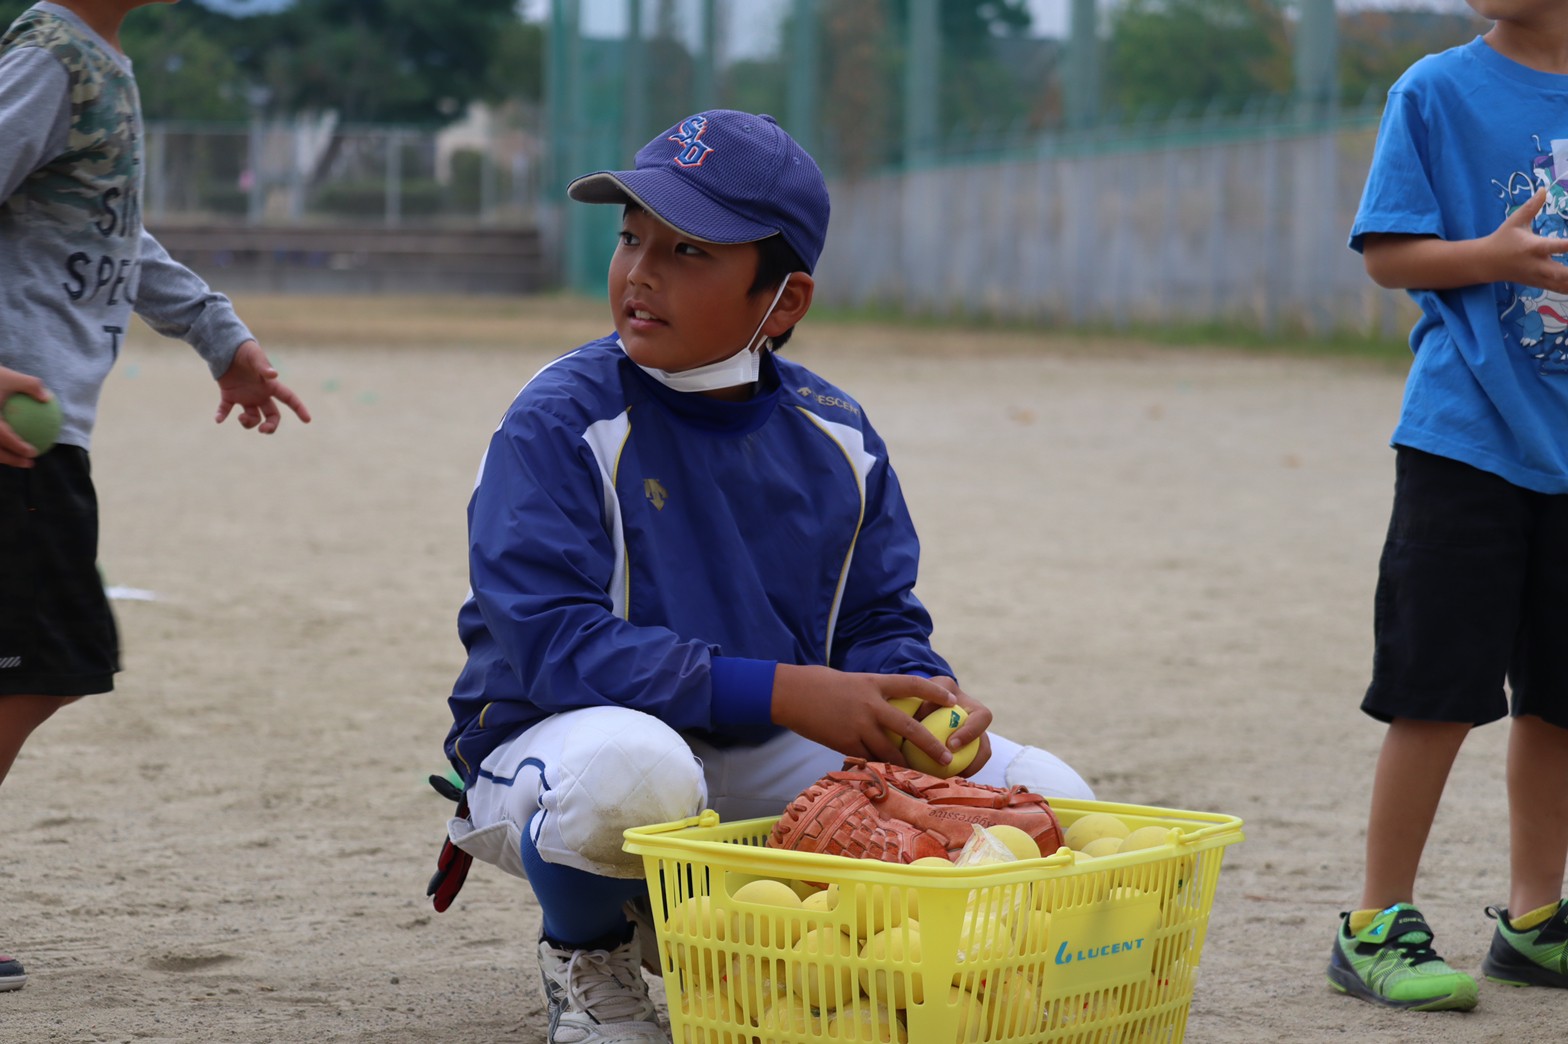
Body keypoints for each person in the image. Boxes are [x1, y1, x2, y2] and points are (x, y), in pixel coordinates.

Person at [437, 109, 1092, 1043]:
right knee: (635, 775)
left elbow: (876, 614)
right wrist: (789, 689)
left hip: (762, 739)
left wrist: (916, 693)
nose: (641, 272)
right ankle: (588, 949)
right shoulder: (559, 420)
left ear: (782, 302)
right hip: (560, 747)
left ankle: (768, 930)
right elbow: (553, 647)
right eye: (632, 238)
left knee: (1052, 795)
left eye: (690, 251)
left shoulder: (837, 432)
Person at [0, 0, 309, 994]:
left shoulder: (98, 63)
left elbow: (113, 232)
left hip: (46, 434)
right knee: (48, 661)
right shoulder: (52, 56)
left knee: (47, 660)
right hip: (17, 432)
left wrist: (221, 334)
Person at [1328, 2, 1568, 1013]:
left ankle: (1532, 920)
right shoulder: (1433, 89)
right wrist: (1492, 258)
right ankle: (1375, 921)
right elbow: (1387, 253)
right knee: (1434, 686)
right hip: (1462, 441)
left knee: (1559, 696)